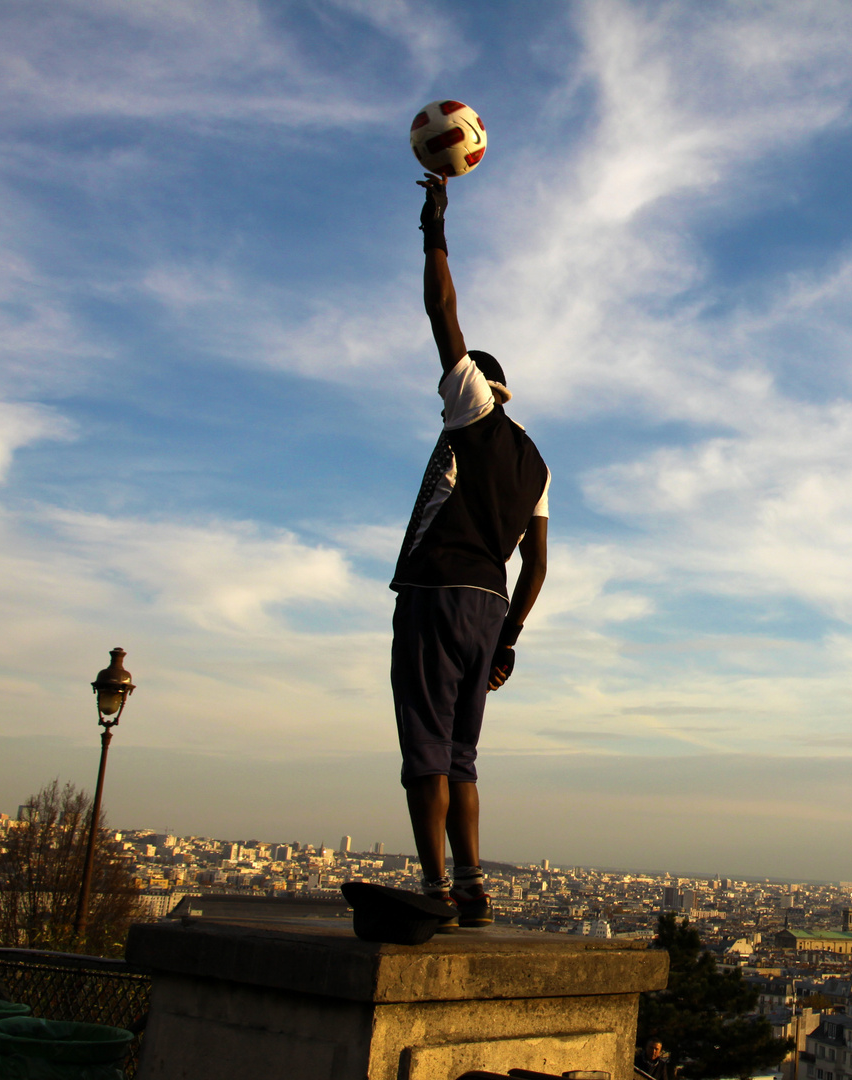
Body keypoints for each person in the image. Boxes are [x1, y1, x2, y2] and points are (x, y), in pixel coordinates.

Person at [391, 171, 550, 927]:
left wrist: (434, 229)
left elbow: (442, 311)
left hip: (437, 593)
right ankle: (473, 884)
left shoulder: (475, 415)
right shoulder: (538, 463)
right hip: (490, 609)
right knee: (461, 755)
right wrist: (509, 642)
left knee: (424, 748)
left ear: (481, 387)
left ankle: (431, 887)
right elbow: (539, 566)